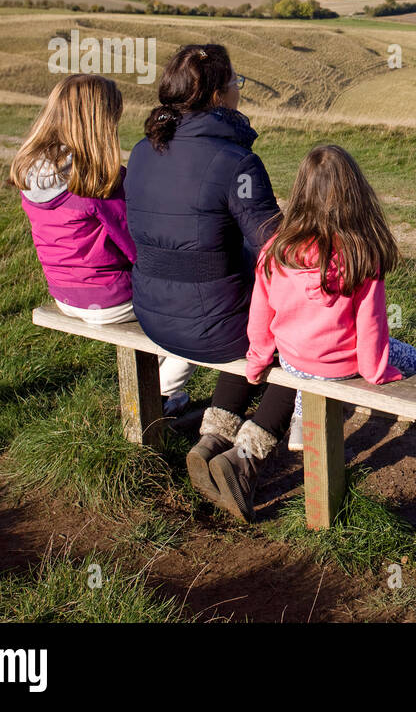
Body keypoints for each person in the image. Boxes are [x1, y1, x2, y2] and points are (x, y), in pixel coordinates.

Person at [124, 44, 294, 522]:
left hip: (155, 316)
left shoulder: (141, 151)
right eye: (237, 81)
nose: (241, 88)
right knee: (299, 344)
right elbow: (277, 251)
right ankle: (244, 461)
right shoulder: (235, 163)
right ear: (219, 96)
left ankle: (213, 437)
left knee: (235, 316)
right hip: (210, 327)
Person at [10, 73, 195, 414]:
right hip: (110, 299)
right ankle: (165, 393)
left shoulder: (32, 174)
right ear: (100, 122)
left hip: (65, 294)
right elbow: (138, 247)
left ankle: (161, 384)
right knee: (203, 308)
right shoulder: (98, 180)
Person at [245, 144, 416, 454]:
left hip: (293, 359)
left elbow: (260, 315)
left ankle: (302, 421)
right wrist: (375, 372)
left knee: (311, 366)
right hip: (341, 363)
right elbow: (372, 327)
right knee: (408, 355)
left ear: (301, 192)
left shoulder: (276, 249)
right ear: (354, 194)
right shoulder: (361, 256)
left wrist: (257, 361)